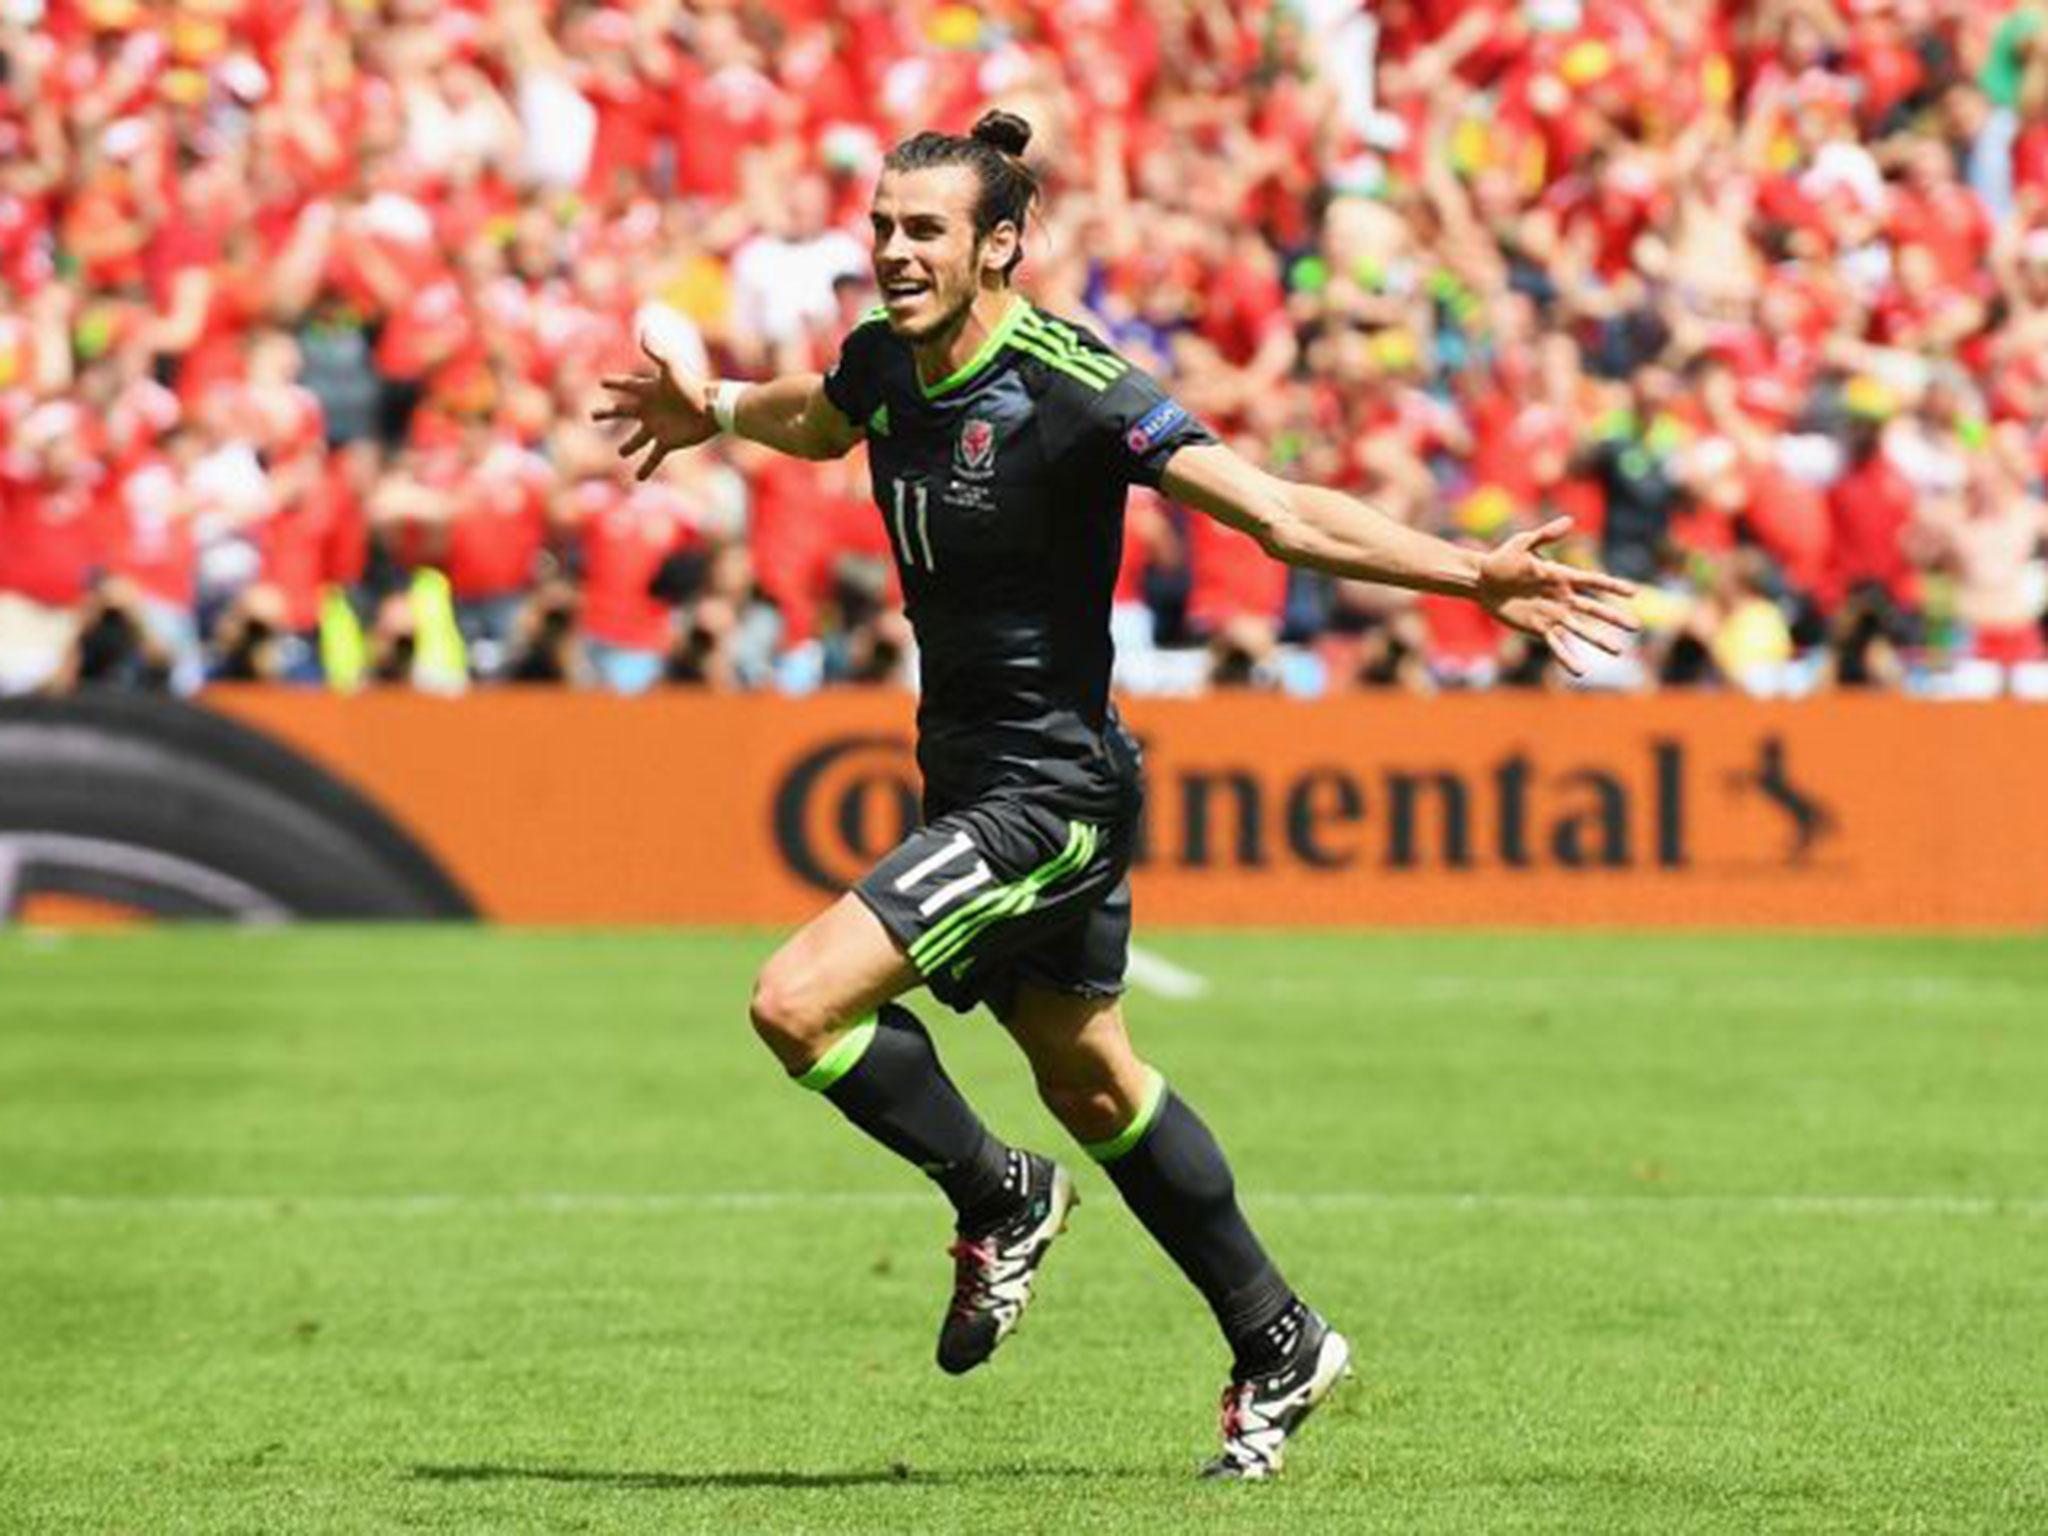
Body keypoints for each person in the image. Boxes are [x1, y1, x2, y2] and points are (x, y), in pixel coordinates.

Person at [595, 110, 1638, 1480]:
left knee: (796, 999)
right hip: (968, 771)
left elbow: (1278, 514)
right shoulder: (888, 362)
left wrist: (1471, 574)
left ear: (1002, 244)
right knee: (1094, 1081)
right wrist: (719, 409)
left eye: (926, 232)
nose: (896, 253)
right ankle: (1280, 1338)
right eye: (884, 228)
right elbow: (823, 413)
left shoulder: (1071, 385)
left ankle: (998, 1193)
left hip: (1049, 793)